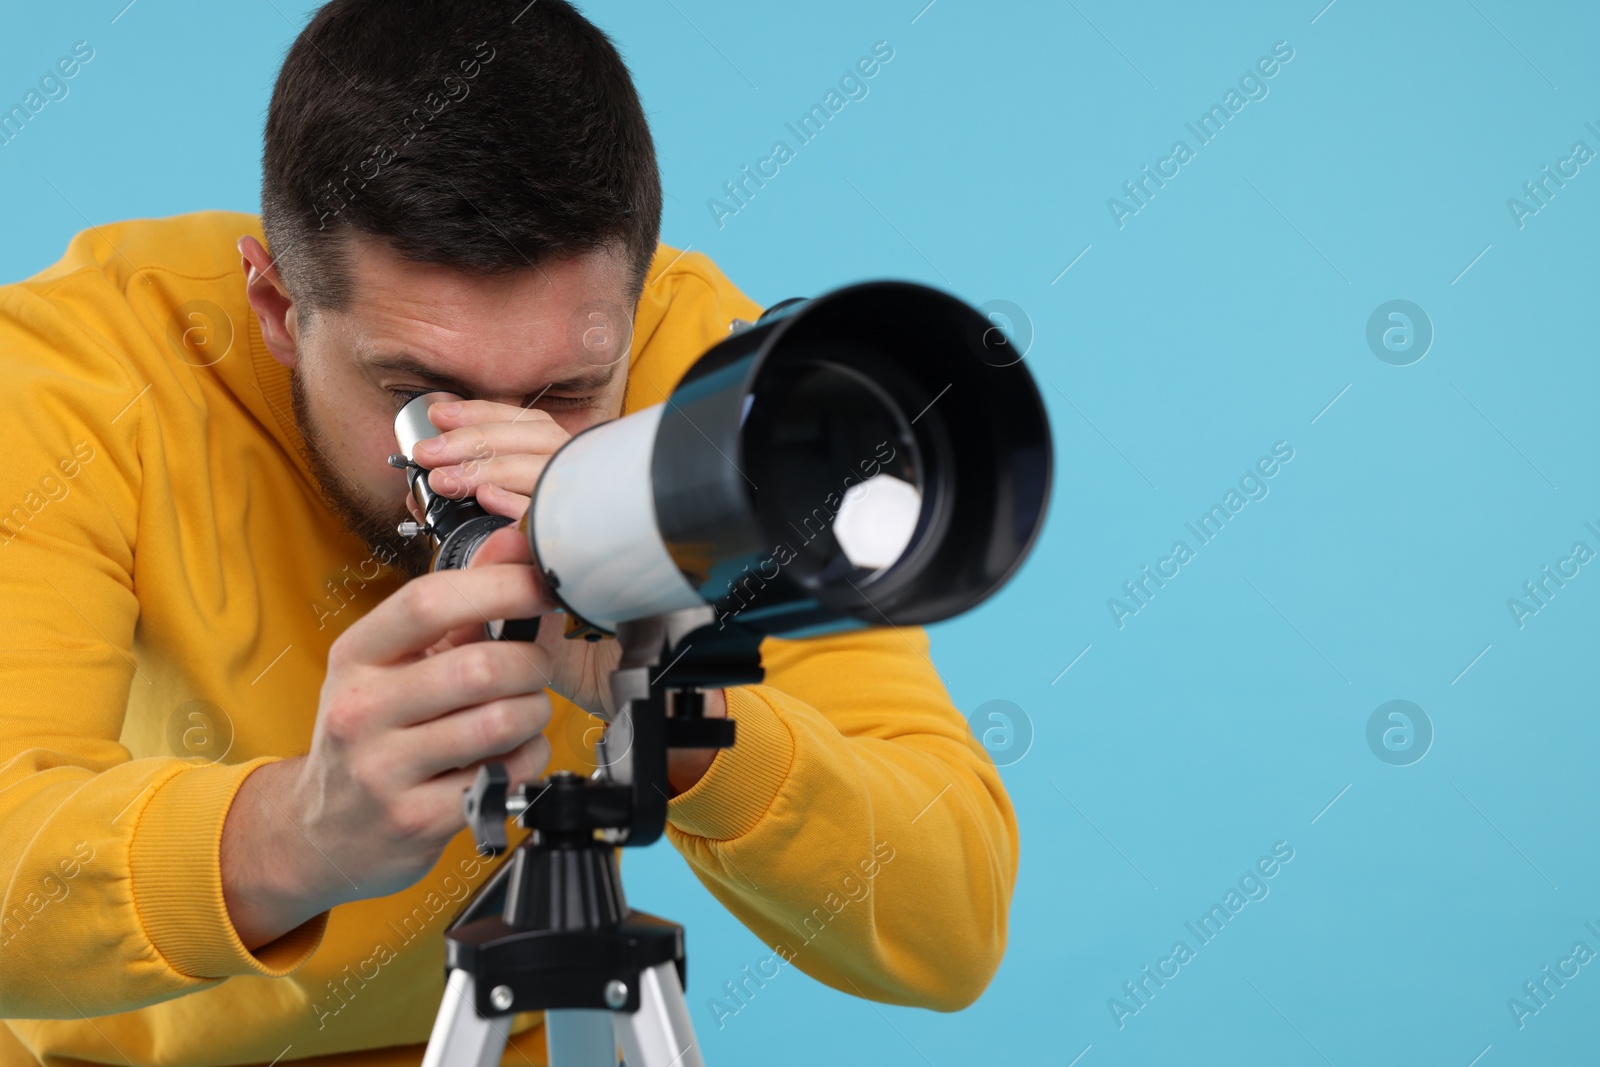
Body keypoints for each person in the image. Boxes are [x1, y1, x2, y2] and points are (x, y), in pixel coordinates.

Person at [0, 2, 1017, 1063]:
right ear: (276, 307)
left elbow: (950, 923)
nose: (492, 451)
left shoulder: (708, 387)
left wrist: (679, 709)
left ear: (635, 301)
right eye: (416, 392)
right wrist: (295, 831)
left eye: (568, 392)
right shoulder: (71, 381)